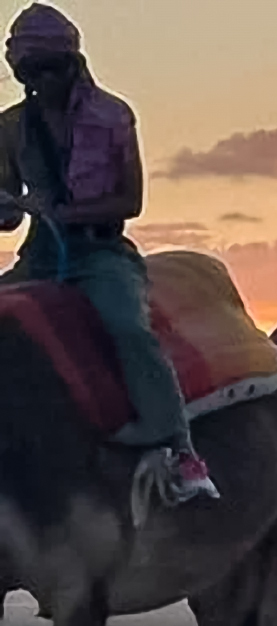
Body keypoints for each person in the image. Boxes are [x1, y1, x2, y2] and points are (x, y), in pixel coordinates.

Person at [0, 4, 216, 503]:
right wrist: (9, 209)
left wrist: (57, 211)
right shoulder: (11, 127)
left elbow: (130, 201)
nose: (42, 80)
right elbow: (11, 209)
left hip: (101, 254)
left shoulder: (112, 115)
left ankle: (179, 446)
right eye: (31, 72)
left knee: (127, 327)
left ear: (73, 63)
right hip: (39, 256)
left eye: (52, 68)